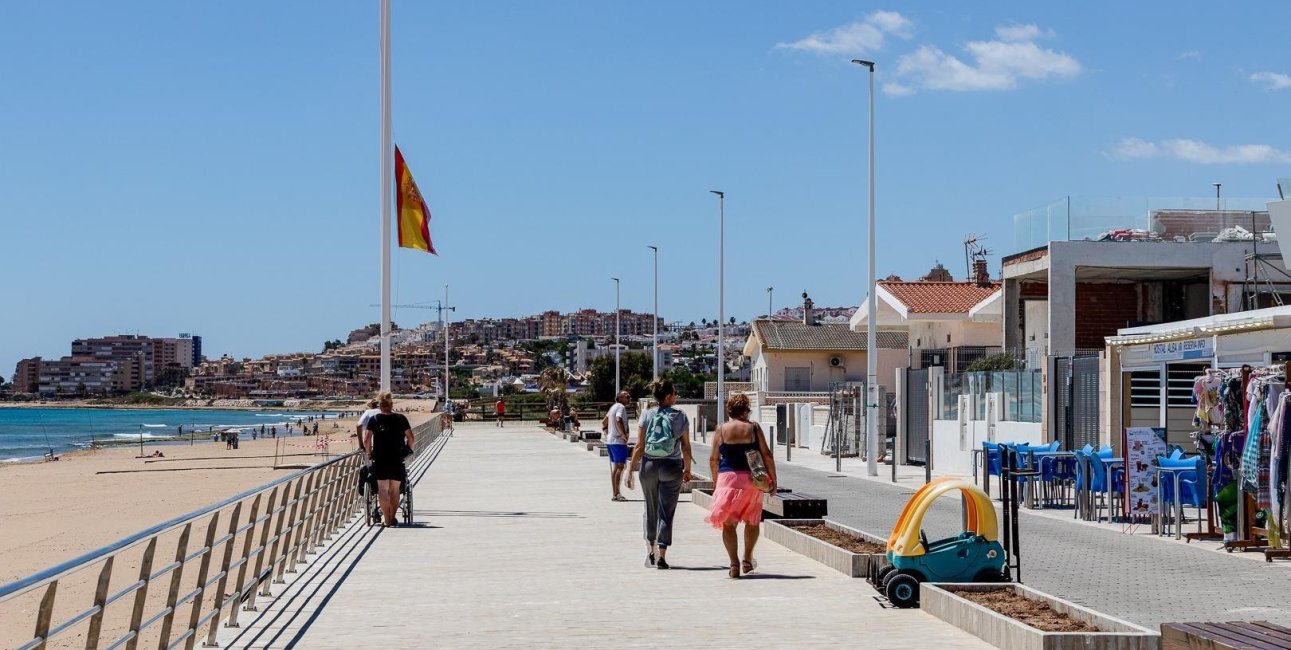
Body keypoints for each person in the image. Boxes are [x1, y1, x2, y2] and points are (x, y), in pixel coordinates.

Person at [706, 393, 776, 579]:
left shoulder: (721, 429)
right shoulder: (753, 428)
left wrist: (716, 484)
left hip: (727, 478)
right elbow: (767, 455)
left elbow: (714, 459)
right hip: (751, 480)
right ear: (746, 410)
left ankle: (734, 564)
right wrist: (773, 480)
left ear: (730, 410)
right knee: (752, 521)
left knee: (729, 524)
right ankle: (747, 559)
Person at [625, 379, 692, 569]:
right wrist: (687, 469)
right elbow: (686, 447)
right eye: (675, 393)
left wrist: (630, 470)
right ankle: (662, 554)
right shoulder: (680, 416)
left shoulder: (647, 414)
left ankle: (650, 551)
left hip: (649, 466)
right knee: (666, 512)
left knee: (650, 508)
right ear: (669, 396)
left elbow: (639, 445)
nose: (676, 396)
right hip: (672, 466)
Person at [363, 392, 415, 527]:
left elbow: (366, 439)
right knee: (394, 490)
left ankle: (387, 519)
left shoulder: (374, 419)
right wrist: (407, 450)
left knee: (382, 489)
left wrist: (369, 453)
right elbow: (411, 438)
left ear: (380, 406)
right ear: (391, 405)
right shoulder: (401, 418)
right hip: (397, 458)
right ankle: (392, 517)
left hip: (380, 458)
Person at [604, 391, 632, 501]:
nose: (629, 399)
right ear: (620, 398)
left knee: (616, 468)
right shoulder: (620, 407)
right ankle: (617, 493)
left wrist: (607, 431)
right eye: (627, 397)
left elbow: (604, 422)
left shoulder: (613, 407)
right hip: (618, 441)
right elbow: (618, 419)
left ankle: (615, 493)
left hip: (611, 441)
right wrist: (623, 435)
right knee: (620, 467)